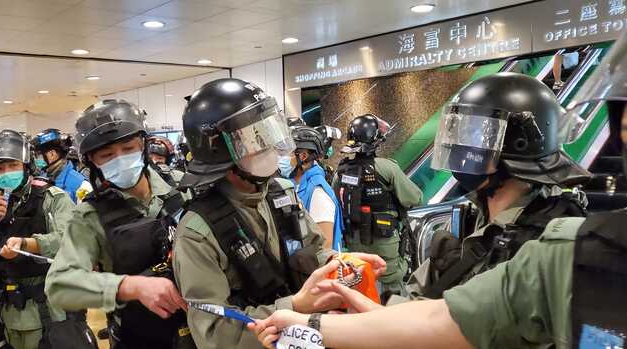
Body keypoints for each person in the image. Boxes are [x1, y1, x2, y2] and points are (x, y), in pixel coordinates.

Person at [249, 36, 627, 349]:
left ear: (516, 147)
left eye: (475, 137)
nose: (463, 152)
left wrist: (317, 322)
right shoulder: (479, 228)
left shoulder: (559, 246)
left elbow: (451, 321)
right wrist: (332, 315)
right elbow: (434, 315)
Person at [172, 78, 385, 349]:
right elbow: (212, 332)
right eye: (253, 138)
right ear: (219, 150)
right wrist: (294, 305)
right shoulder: (196, 233)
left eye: (268, 131)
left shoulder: (282, 192)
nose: (269, 144)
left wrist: (340, 265)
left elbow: (313, 250)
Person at [404, 72, 590, 300]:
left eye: (478, 135)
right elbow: (412, 300)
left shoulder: (550, 241)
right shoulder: (469, 220)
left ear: (520, 145)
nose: (461, 146)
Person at [45, 99, 191, 348]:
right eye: (107, 155)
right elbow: (59, 285)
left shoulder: (183, 186)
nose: (120, 159)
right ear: (92, 160)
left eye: (128, 147)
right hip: (139, 336)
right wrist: (129, 286)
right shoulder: (89, 215)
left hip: (200, 330)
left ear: (143, 145)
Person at [0, 129, 94, 349]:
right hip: (8, 311)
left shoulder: (52, 198)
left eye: (13, 166)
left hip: (49, 310)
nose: (6, 173)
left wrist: (27, 244)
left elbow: (69, 240)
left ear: (26, 166)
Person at [333, 114, 422, 294]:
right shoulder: (387, 168)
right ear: (375, 140)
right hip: (385, 241)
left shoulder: (340, 172)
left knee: (360, 283)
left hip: (353, 241)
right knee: (392, 283)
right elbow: (414, 198)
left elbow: (337, 201)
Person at [278, 126, 344, 250]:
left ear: (303, 156)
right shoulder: (298, 185)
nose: (282, 158)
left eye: (288, 153)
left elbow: (325, 245)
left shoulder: (317, 193)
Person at [31, 128, 92, 203]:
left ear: (52, 154)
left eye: (38, 154)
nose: (36, 159)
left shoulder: (80, 185)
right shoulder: (42, 178)